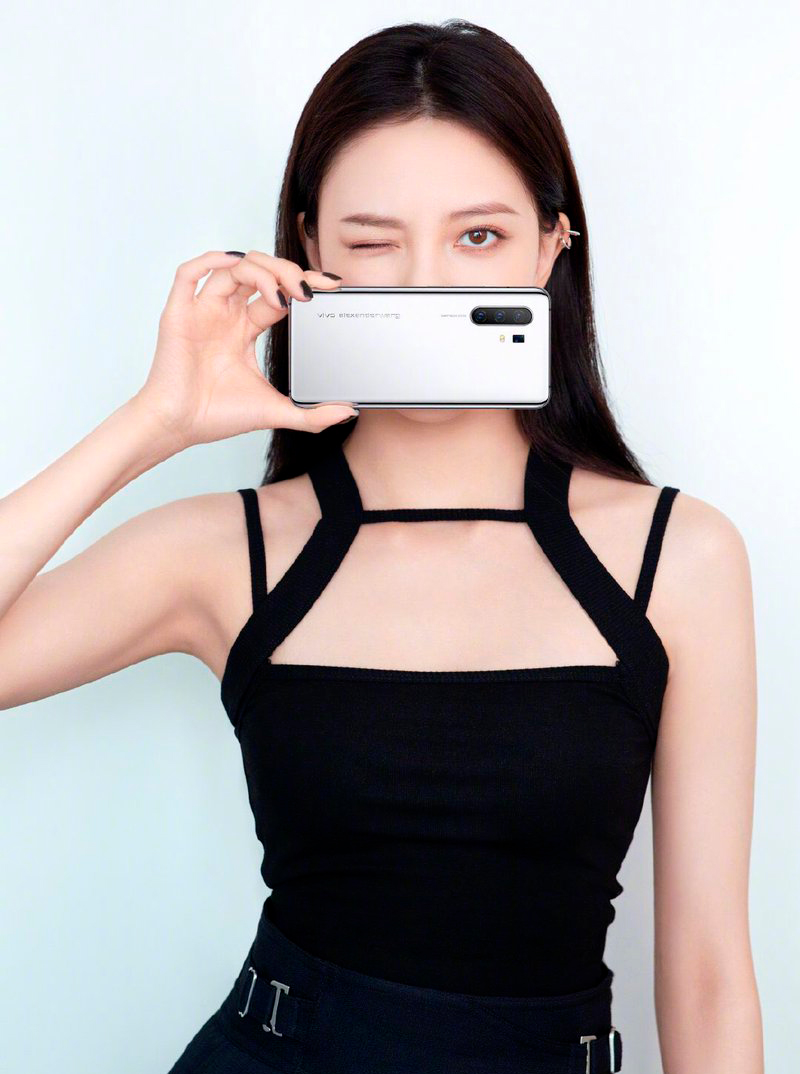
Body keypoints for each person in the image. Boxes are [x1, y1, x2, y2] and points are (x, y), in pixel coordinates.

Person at [0, 18, 762, 1074]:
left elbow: (710, 972)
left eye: (478, 237)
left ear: (553, 245)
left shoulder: (677, 557)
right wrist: (156, 420)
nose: (428, 283)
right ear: (308, 251)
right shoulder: (229, 552)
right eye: (372, 242)